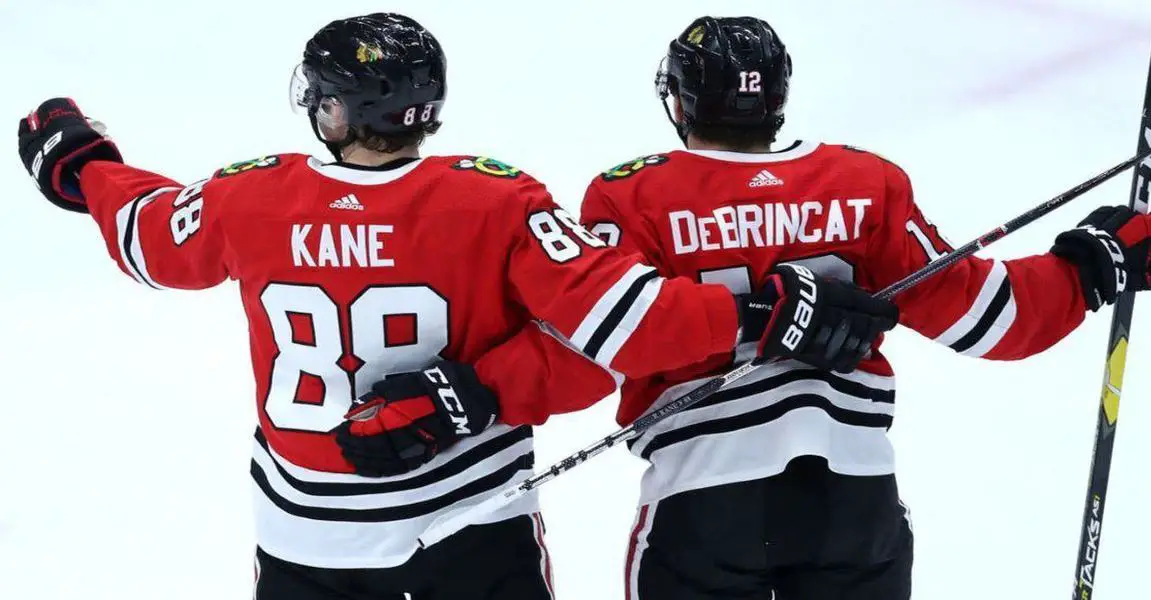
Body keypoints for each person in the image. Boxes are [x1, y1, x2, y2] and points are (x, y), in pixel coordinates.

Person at [15, 12, 902, 600]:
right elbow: (621, 329)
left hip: (309, 541)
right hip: (475, 526)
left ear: (332, 108)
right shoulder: (499, 201)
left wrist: (82, 162)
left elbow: (148, 236)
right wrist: (762, 317)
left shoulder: (252, 197)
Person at [573, 16, 1151, 600]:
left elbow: (601, 336)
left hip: (703, 499)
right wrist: (1090, 267)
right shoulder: (860, 182)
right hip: (854, 501)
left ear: (681, 101)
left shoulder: (630, 195)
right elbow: (987, 315)